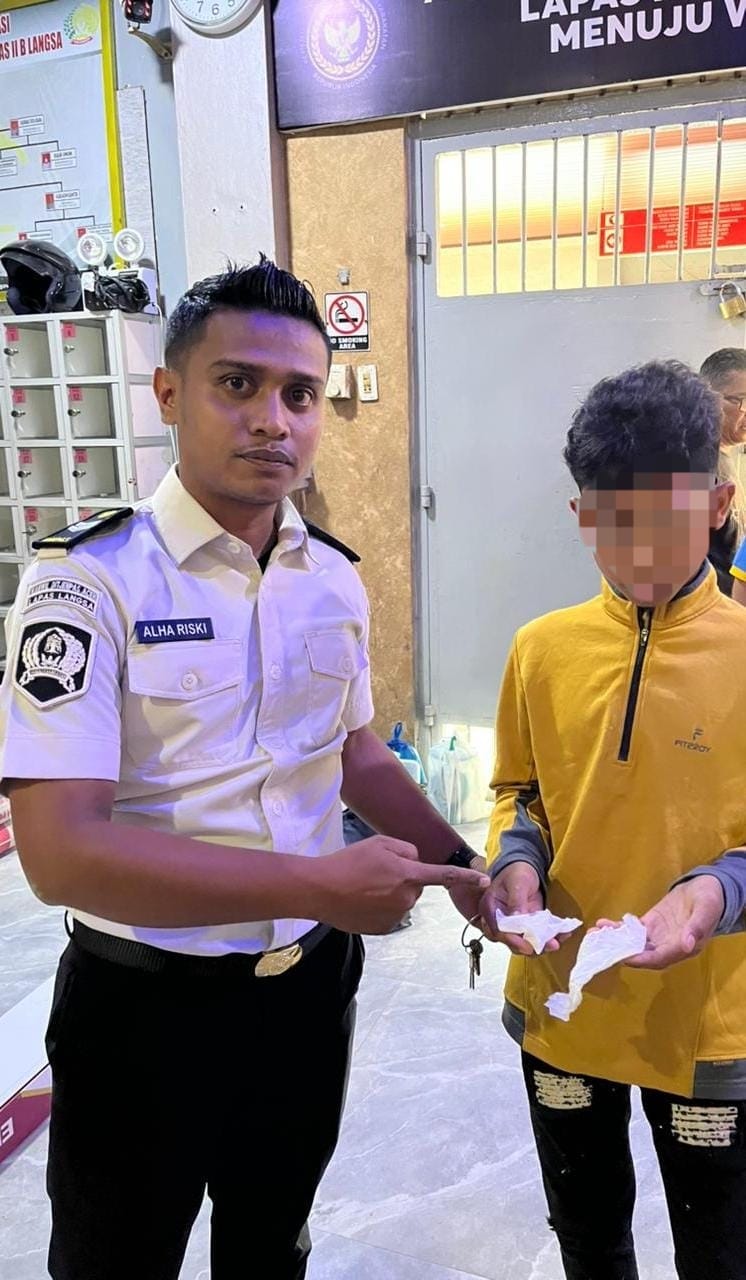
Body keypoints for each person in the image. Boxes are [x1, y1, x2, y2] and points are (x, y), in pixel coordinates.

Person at [0, 259, 488, 1280]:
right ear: (168, 393)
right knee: (114, 1259)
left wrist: (464, 868)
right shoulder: (87, 582)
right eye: (237, 384)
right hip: (143, 1009)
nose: (273, 420)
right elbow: (59, 854)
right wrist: (316, 883)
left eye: (300, 394)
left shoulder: (331, 576)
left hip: (306, 995)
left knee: (271, 1243)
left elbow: (352, 752)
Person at [478, 360, 746, 1280]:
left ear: (717, 504)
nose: (635, 552)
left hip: (710, 1020)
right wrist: (514, 862)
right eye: (609, 523)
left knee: (721, 1253)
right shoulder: (540, 650)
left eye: (663, 521)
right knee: (589, 1239)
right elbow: (520, 793)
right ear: (580, 514)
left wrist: (716, 892)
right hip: (566, 1008)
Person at [700, 347, 746, 593]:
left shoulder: (727, 458)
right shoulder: (696, 467)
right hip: (711, 607)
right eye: (741, 401)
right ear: (708, 398)